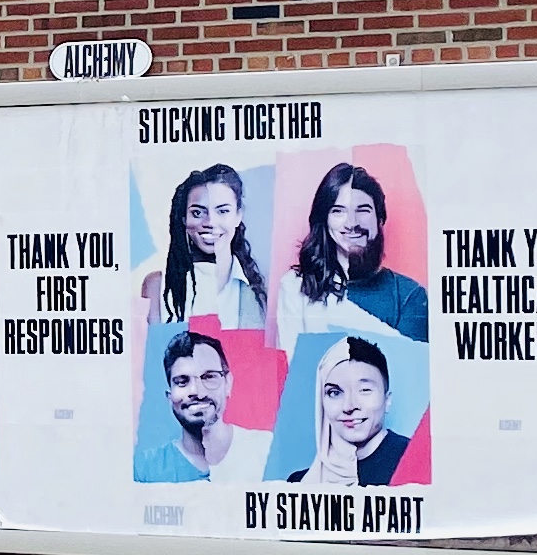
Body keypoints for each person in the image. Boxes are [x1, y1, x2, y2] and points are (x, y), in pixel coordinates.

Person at [281, 160, 429, 344]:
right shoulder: (295, 287)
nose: (351, 223)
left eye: (363, 210)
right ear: (324, 221)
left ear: (380, 219)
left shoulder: (410, 295)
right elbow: (293, 360)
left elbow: (410, 362)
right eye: (338, 211)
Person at [137, 165, 273, 332]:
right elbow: (154, 348)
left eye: (222, 211)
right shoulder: (157, 286)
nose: (210, 223)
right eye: (198, 213)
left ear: (238, 216)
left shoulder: (257, 292)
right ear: (184, 218)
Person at [281, 335, 412, 487]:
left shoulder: (418, 461)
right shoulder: (301, 484)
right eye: (334, 393)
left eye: (364, 390)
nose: (349, 406)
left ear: (387, 400)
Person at [139, 327, 247, 481]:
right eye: (182, 381)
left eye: (209, 377)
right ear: (170, 396)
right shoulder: (144, 470)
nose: (197, 391)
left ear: (228, 384)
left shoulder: (265, 451)